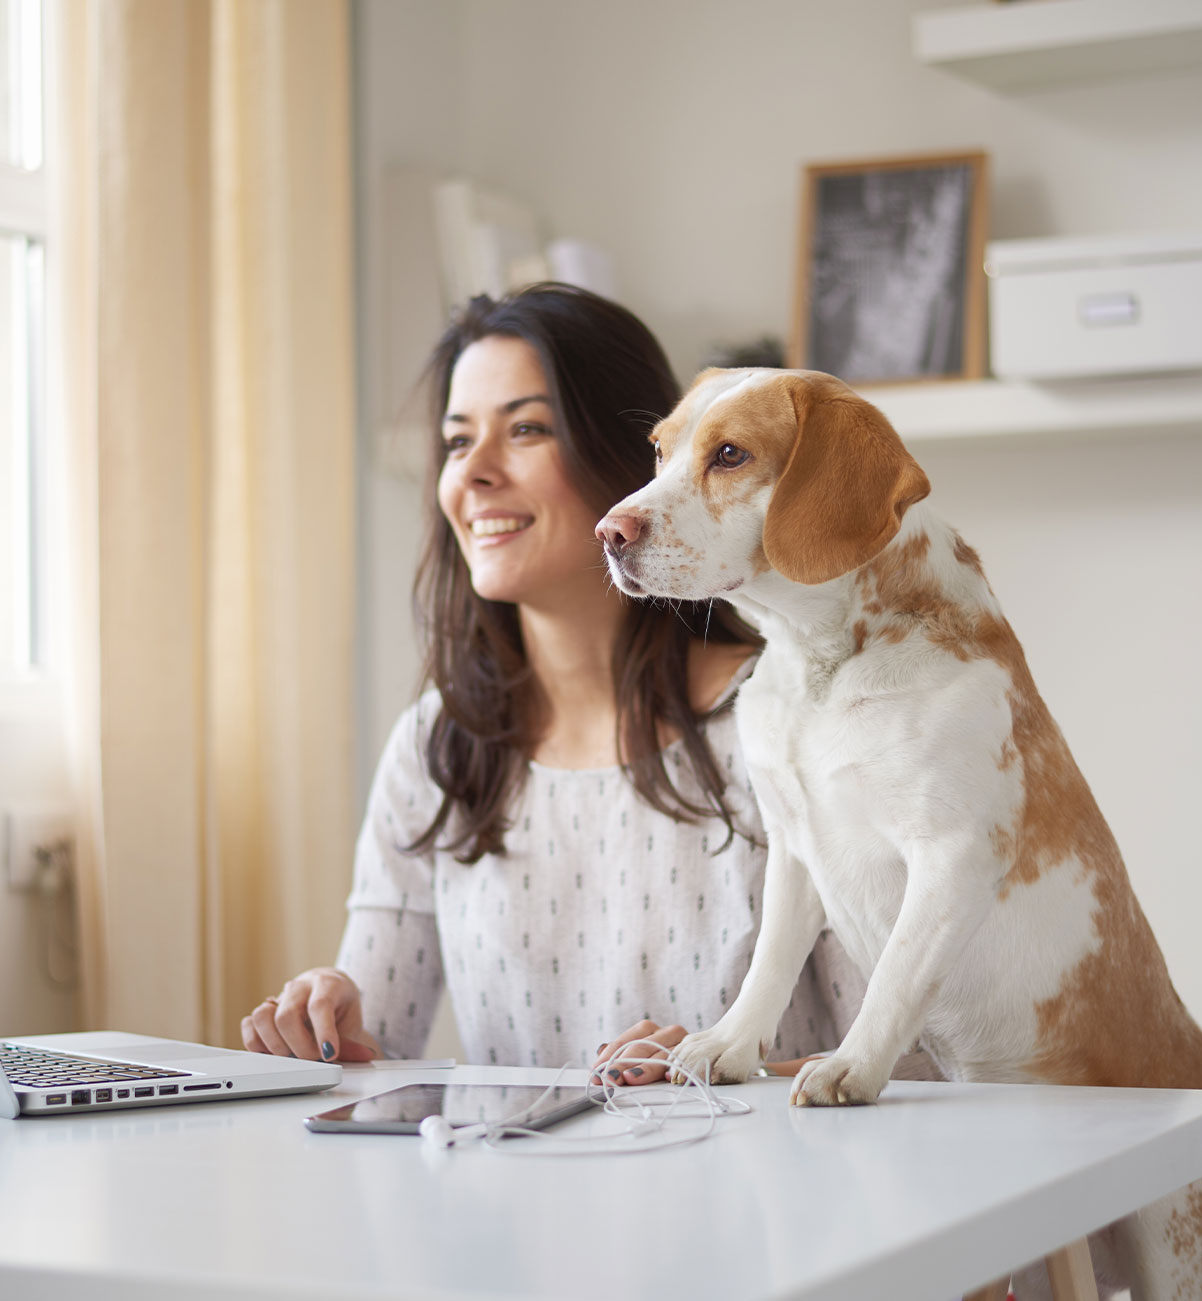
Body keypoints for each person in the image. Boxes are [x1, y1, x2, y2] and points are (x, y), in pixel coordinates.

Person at [240, 284, 859, 1081]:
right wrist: (325, 1020)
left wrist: (719, 1063)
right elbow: (372, 1052)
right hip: (511, 1203)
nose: (476, 474)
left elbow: (912, 1066)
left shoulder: (793, 725)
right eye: (458, 442)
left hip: (765, 1199)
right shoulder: (437, 745)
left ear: (636, 456)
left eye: (527, 428)